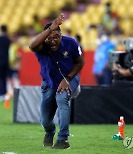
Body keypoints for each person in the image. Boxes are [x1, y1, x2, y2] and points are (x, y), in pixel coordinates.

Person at [29, 14, 84, 149]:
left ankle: (63, 139)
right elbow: (31, 46)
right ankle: (50, 132)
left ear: (61, 35)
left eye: (56, 37)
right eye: (49, 38)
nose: (53, 40)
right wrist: (49, 30)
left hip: (69, 78)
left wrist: (67, 79)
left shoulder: (71, 43)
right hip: (48, 83)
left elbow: (79, 63)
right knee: (45, 120)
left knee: (62, 98)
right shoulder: (41, 46)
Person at [0, 25, 11, 101]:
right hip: (6, 61)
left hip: (0, 61)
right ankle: (4, 94)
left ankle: (1, 94)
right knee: (4, 78)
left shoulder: (0, 39)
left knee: (0, 78)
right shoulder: (8, 39)